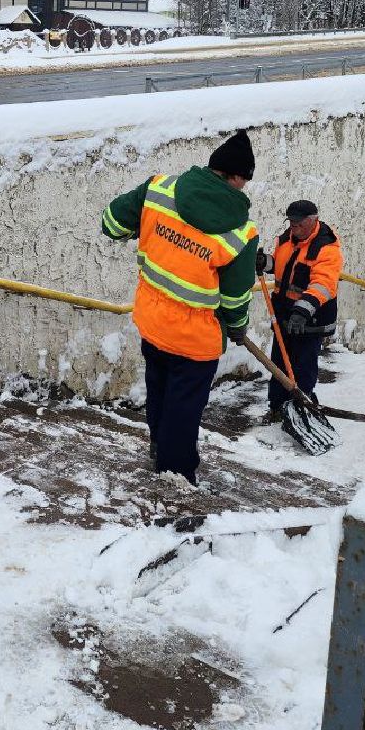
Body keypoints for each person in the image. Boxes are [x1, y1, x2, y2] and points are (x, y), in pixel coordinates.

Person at [102, 131, 259, 484]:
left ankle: (159, 448)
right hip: (195, 338)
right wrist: (237, 327)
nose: (244, 187)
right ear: (236, 178)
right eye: (245, 180)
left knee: (158, 388)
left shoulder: (158, 190)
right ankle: (176, 474)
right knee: (185, 407)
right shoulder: (242, 234)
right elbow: (235, 299)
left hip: (152, 320)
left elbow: (111, 223)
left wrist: (144, 230)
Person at [257, 200, 343, 419]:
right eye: (290, 222)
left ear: (312, 221)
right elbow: (280, 266)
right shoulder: (287, 239)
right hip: (284, 315)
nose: (292, 227)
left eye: (297, 223)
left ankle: (301, 409)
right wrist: (264, 262)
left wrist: (303, 310)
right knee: (279, 362)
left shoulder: (326, 248)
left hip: (311, 318)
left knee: (303, 364)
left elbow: (323, 284)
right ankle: (277, 407)